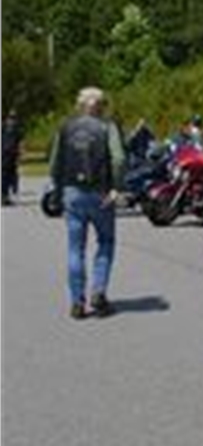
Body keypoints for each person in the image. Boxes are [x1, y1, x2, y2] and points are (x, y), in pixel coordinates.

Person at [49, 87, 126, 319]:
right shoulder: (107, 127)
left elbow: (55, 162)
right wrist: (116, 187)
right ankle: (98, 292)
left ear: (79, 105)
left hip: (73, 192)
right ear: (102, 105)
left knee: (75, 248)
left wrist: (58, 187)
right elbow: (119, 159)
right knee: (105, 242)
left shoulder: (65, 127)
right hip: (101, 193)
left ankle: (77, 301)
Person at [2, 108, 23, 205]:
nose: (12, 120)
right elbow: (20, 143)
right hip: (10, 154)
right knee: (9, 174)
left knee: (7, 174)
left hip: (7, 154)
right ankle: (6, 195)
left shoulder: (4, 127)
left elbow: (20, 143)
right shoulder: (16, 128)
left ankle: (6, 195)